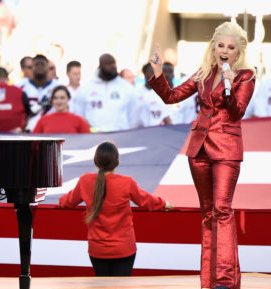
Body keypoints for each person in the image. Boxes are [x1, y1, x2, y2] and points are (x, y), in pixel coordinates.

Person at [149, 22, 256, 289]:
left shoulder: (245, 76)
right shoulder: (203, 73)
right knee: (208, 213)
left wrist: (230, 86)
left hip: (227, 150)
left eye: (231, 47)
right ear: (213, 47)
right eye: (221, 45)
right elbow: (172, 97)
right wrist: (158, 73)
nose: (225, 50)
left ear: (238, 52)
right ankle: (208, 281)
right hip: (199, 148)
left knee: (222, 210)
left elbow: (237, 111)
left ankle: (226, 281)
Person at [58, 141, 171, 276]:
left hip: (97, 250)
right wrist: (165, 204)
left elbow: (65, 202)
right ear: (117, 161)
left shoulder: (85, 181)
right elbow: (146, 201)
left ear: (96, 161)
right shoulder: (127, 182)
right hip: (123, 249)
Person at [73, 53, 138, 132]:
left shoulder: (127, 88)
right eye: (108, 64)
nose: (113, 67)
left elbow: (134, 117)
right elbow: (79, 115)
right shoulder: (85, 89)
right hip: (92, 136)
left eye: (113, 63)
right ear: (100, 67)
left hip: (120, 136)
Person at [20, 54, 61, 132]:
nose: (39, 67)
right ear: (32, 67)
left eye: (42, 64)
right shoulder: (21, 86)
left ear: (48, 67)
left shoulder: (58, 86)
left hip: (52, 130)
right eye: (36, 64)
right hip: (29, 131)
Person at [135, 63, 172, 127]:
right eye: (151, 72)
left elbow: (166, 118)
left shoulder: (161, 93)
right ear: (145, 74)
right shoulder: (136, 93)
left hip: (157, 132)